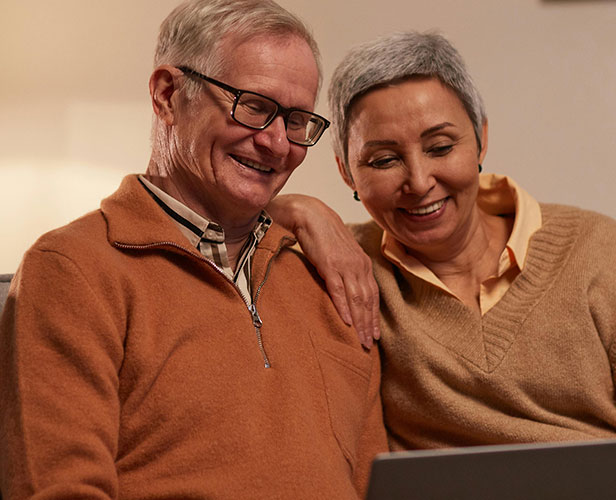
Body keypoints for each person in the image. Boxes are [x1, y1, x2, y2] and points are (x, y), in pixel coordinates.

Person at [271, 31, 616, 498]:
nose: (418, 181)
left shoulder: (597, 249)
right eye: (385, 159)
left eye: (440, 148)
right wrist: (295, 208)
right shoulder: (345, 270)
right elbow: (207, 224)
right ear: (346, 172)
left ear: (481, 139)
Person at [0, 1, 387, 498]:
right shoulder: (74, 270)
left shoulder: (332, 275)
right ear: (167, 95)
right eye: (253, 105)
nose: (276, 143)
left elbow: (380, 483)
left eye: (295, 120)